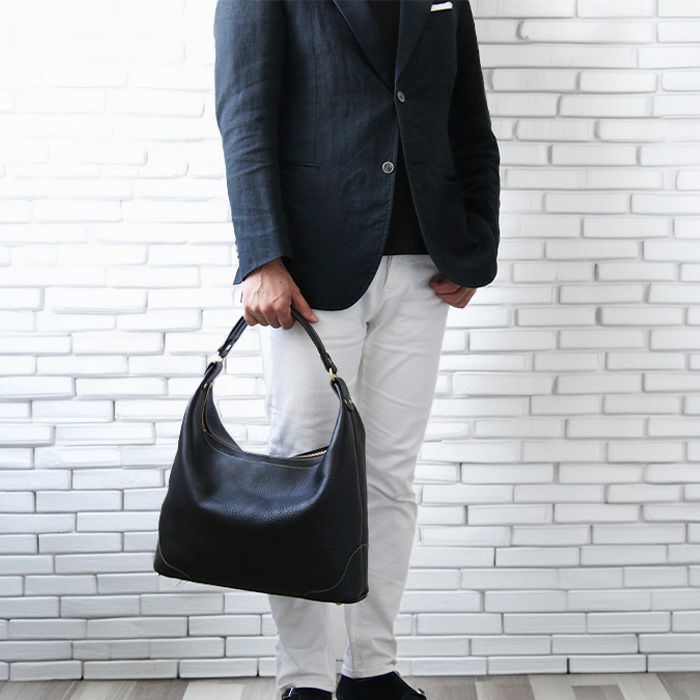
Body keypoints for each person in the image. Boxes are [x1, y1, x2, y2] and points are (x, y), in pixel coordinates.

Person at [213, 1, 500, 698]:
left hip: (425, 267)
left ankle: (371, 670)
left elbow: (468, 118)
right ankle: (306, 679)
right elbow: (245, 114)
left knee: (390, 477)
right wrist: (262, 256)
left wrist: (477, 242)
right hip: (310, 270)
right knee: (303, 472)